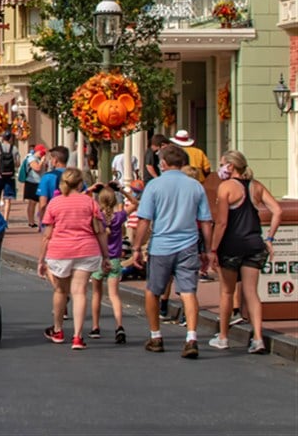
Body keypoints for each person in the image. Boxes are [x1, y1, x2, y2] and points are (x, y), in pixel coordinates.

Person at [130, 143, 213, 359]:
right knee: (188, 291)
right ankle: (191, 337)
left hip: (161, 245)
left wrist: (136, 247)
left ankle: (156, 336)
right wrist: (208, 249)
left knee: (153, 291)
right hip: (188, 244)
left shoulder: (154, 186)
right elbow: (205, 221)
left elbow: (144, 220)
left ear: (164, 163)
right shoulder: (195, 186)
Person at [209, 150, 281, 354]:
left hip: (231, 245)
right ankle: (258, 338)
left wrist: (213, 249)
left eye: (222, 164)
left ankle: (223, 337)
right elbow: (277, 210)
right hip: (254, 244)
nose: (220, 168)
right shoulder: (256, 186)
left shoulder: (226, 187)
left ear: (231, 166)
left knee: (227, 292)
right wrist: (270, 238)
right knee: (251, 292)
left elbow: (222, 222)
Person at [37, 169, 108, 350]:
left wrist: (41, 260)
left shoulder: (55, 203)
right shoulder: (90, 202)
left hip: (60, 251)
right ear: (80, 183)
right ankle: (78, 336)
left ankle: (58, 330)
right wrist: (106, 256)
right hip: (86, 249)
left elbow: (47, 235)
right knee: (80, 292)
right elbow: (100, 231)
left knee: (61, 291)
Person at [89, 185, 128, 344]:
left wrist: (90, 190)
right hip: (115, 259)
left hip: (99, 258)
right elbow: (135, 204)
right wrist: (122, 191)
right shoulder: (119, 217)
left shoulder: (97, 218)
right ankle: (119, 326)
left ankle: (95, 326)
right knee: (114, 295)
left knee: (96, 294)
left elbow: (80, 201)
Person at [35, 146, 68, 227]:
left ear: (55, 160)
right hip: (74, 219)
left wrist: (42, 222)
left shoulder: (47, 177)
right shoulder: (76, 176)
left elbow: (43, 203)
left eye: (51, 158)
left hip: (54, 220)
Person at [0, 132, 19, 220]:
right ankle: (5, 219)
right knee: (8, 199)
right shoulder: (14, 148)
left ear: (2, 138)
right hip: (10, 176)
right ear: (10, 138)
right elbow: (18, 163)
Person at [17, 145, 46, 228]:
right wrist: (41, 162)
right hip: (32, 182)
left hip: (40, 182)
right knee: (32, 203)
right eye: (42, 152)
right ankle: (31, 221)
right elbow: (37, 168)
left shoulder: (39, 159)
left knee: (41, 202)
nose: (43, 153)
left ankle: (41, 220)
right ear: (38, 151)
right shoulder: (31, 158)